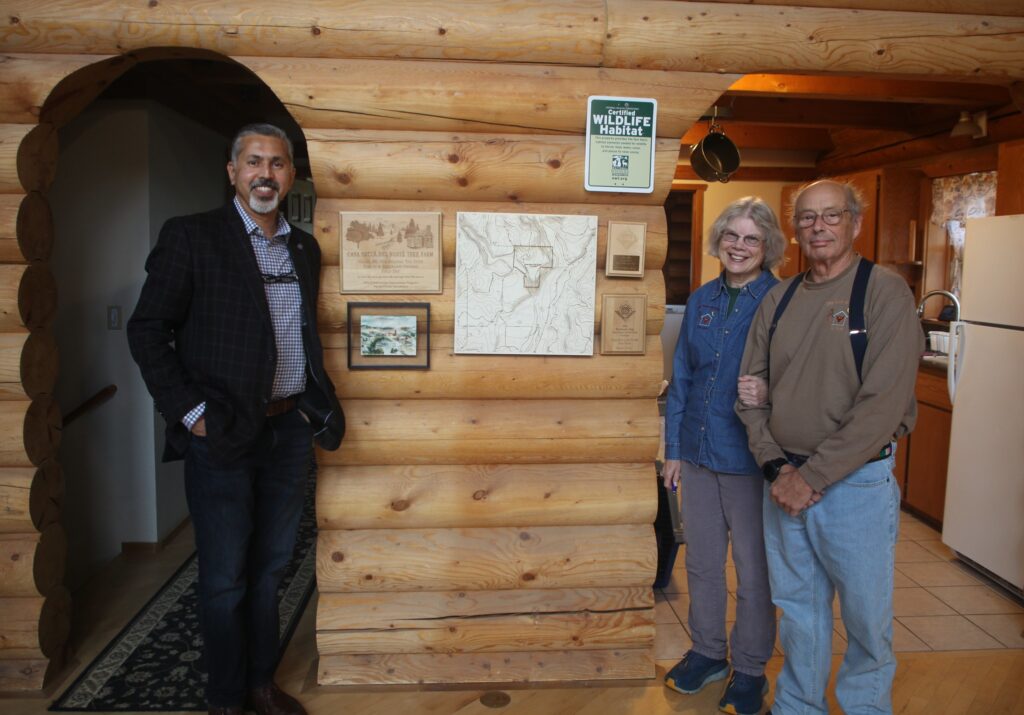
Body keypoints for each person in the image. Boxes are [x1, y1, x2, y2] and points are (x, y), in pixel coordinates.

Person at [127, 123, 343, 715]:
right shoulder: (193, 237)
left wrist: (309, 405)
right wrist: (190, 411)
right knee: (225, 575)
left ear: (291, 175)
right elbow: (147, 329)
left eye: (277, 164)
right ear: (232, 172)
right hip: (219, 431)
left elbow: (296, 335)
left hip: (288, 430)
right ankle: (225, 699)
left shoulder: (303, 248)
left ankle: (259, 683)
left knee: (273, 567)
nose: (265, 174)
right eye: (254, 162)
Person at [736, 180, 922, 715]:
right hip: (783, 479)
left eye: (831, 216)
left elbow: (882, 407)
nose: (819, 227)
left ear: (855, 223)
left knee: (865, 619)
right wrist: (776, 465)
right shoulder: (781, 297)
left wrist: (810, 478)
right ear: (795, 231)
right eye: (808, 218)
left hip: (854, 485)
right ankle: (798, 707)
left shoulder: (884, 294)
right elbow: (749, 393)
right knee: (798, 611)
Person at [662, 197, 786, 715]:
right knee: (705, 564)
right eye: (732, 236)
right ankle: (708, 651)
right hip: (696, 451)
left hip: (751, 458)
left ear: (767, 247)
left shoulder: (782, 301)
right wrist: (672, 449)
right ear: (719, 241)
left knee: (754, 573)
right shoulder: (701, 299)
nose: (739, 246)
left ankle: (751, 668)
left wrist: (771, 395)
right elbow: (684, 378)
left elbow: (798, 381)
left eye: (751, 238)